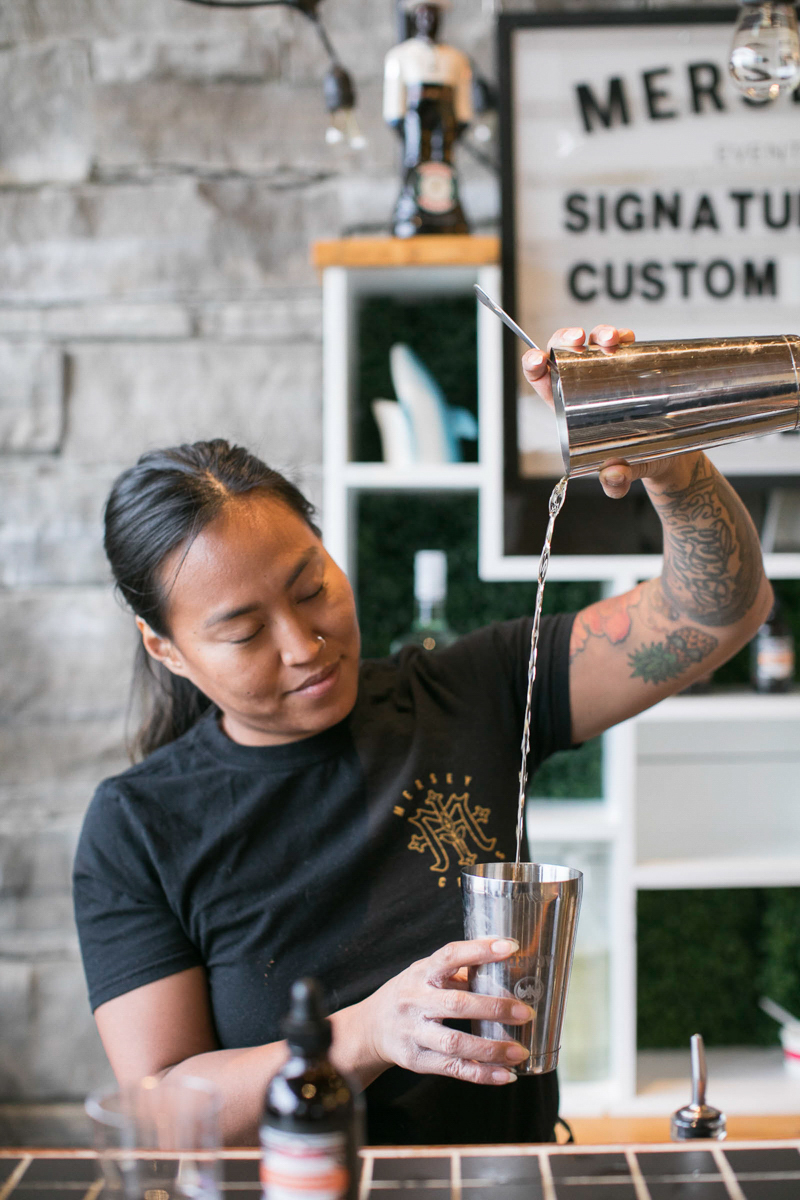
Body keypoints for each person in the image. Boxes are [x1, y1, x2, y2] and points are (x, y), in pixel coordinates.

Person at [73, 323, 772, 1147]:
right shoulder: (139, 827)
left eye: (310, 587)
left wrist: (665, 451)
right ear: (168, 649)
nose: (304, 644)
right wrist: (366, 1033)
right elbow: (161, 1107)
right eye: (243, 631)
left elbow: (715, 612)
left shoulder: (468, 692)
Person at [383, 0, 472, 236]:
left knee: (442, 166)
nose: (429, 21)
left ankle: (445, 210)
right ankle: (413, 209)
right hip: (415, 132)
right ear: (415, 18)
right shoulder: (400, 56)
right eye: (424, 15)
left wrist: (452, 130)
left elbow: (463, 110)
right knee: (416, 165)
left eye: (434, 15)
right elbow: (394, 111)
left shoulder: (456, 58)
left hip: (445, 132)